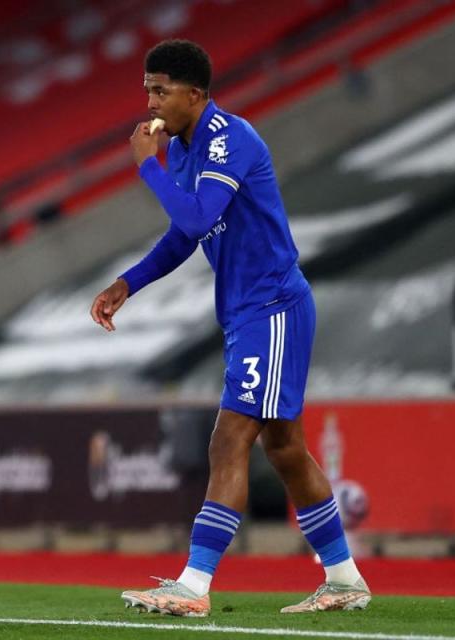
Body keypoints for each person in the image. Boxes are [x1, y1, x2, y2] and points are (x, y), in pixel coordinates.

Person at [89, 39, 370, 617]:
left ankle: (193, 585)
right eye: (146, 87)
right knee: (286, 449)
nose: (149, 100)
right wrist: (129, 283)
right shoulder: (189, 148)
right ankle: (344, 578)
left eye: (160, 89)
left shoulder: (228, 139)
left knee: (228, 440)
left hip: (273, 306)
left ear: (195, 94)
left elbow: (195, 216)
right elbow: (185, 235)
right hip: (248, 311)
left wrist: (148, 164)